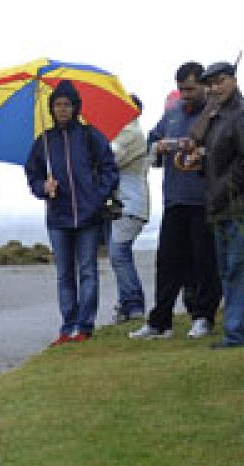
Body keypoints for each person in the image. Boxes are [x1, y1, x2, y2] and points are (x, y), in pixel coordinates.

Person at [130, 62, 222, 341]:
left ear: (204, 86)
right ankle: (160, 321)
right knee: (168, 263)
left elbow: (223, 151)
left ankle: (203, 316)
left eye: (191, 89)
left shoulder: (216, 115)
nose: (186, 94)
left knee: (204, 263)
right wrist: (159, 147)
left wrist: (202, 152)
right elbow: (152, 143)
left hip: (203, 200)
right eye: (181, 89)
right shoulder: (171, 114)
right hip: (175, 199)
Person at [24, 80, 119, 344]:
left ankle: (85, 326)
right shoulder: (43, 142)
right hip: (58, 218)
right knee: (64, 274)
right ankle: (68, 326)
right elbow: (32, 176)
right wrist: (44, 186)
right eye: (57, 105)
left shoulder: (90, 136)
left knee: (88, 270)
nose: (62, 110)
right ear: (51, 108)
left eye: (67, 105)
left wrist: (97, 197)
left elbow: (110, 168)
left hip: (88, 216)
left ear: (76, 107)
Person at [199, 60, 244, 348]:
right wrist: (201, 162)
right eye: (211, 83)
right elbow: (218, 160)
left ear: (234, 80)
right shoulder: (218, 115)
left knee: (238, 270)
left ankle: (238, 334)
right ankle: (239, 331)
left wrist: (224, 192)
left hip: (240, 204)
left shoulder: (241, 113)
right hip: (223, 205)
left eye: (220, 81)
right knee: (228, 270)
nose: (215, 87)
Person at [106, 97, 150, 323]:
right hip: (127, 203)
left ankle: (133, 304)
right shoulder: (126, 132)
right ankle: (126, 304)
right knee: (120, 255)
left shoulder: (130, 133)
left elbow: (110, 158)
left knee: (119, 254)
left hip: (130, 203)